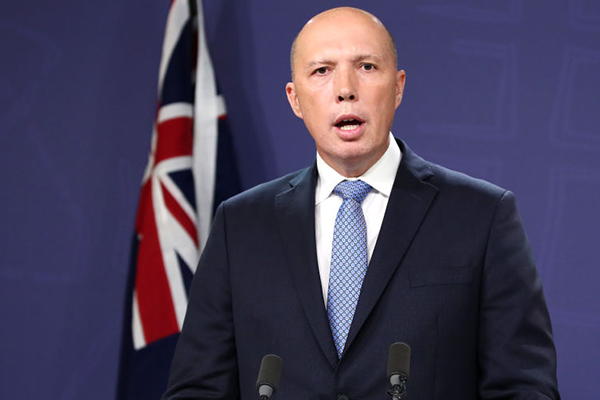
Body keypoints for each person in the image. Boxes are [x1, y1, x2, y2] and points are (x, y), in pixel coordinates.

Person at [162, 7, 560, 400]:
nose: (345, 89)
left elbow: (524, 386)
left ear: (398, 87)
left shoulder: (481, 216)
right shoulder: (241, 226)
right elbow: (198, 388)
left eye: (367, 67)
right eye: (322, 71)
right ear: (295, 99)